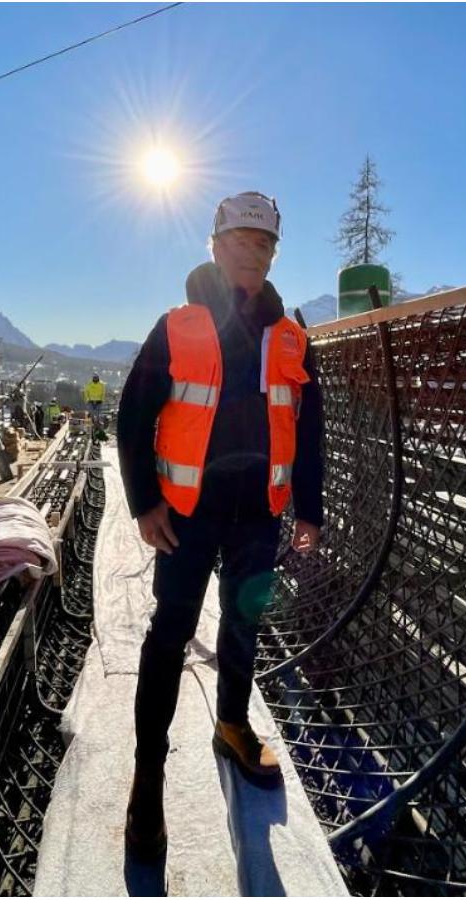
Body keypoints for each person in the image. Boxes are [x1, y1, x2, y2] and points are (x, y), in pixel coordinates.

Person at [118, 191, 324, 864]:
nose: (250, 253)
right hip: (186, 518)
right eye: (239, 240)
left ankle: (232, 724)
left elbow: (312, 430)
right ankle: (148, 776)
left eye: (262, 245)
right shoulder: (178, 326)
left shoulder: (291, 338)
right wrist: (144, 500)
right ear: (214, 245)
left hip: (257, 520)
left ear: (271, 256)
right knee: (169, 636)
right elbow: (133, 413)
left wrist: (310, 508)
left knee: (244, 625)